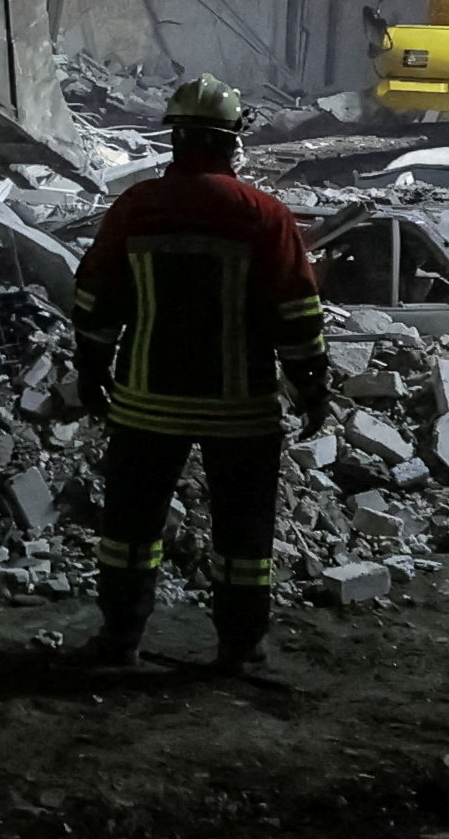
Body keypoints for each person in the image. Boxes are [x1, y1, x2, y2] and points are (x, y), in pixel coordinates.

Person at [69, 75, 330, 672]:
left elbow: (96, 296)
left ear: (175, 138)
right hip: (241, 410)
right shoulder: (264, 216)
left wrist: (91, 367)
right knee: (243, 539)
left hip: (145, 402)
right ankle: (241, 647)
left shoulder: (136, 207)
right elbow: (295, 310)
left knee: (130, 531)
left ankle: (120, 640)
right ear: (232, 141)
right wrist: (311, 385)